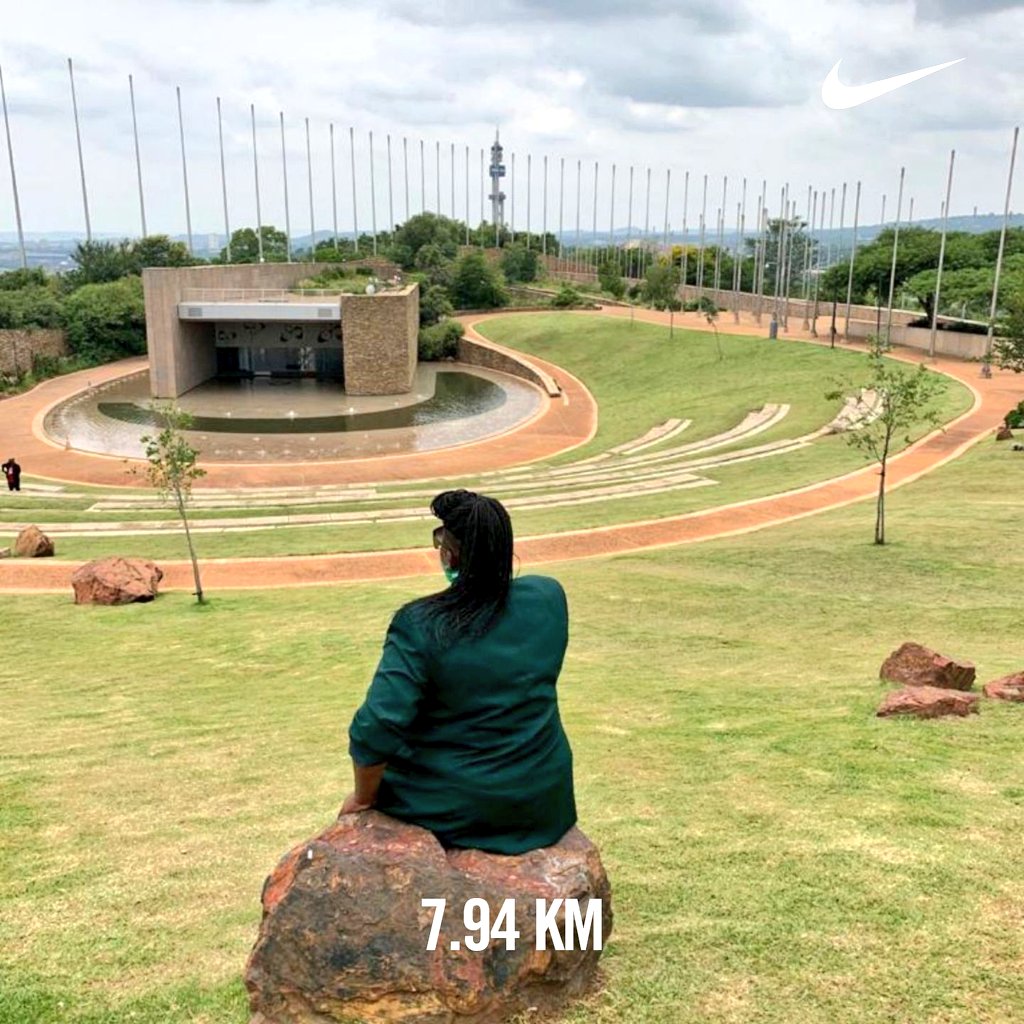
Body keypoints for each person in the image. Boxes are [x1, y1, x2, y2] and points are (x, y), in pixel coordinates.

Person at [343, 489, 577, 855]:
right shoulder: (548, 596)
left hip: (460, 808)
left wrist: (362, 798)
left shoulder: (420, 624)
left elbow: (376, 727)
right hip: (544, 801)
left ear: (449, 554)